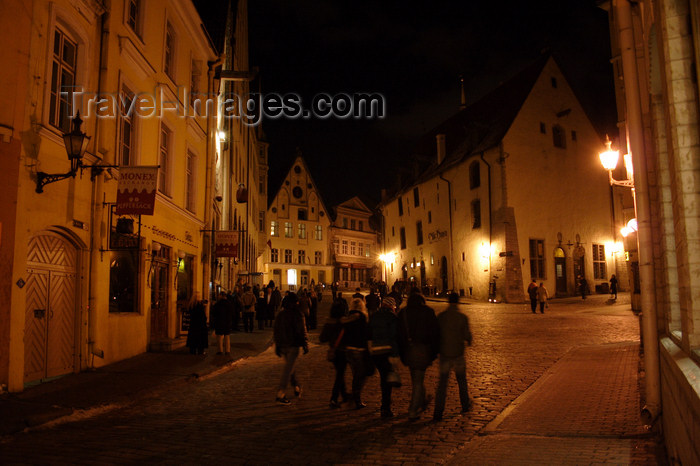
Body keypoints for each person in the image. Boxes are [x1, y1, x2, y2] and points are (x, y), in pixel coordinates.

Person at [398, 293, 439, 420]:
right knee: (417, 381)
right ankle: (413, 410)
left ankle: (422, 401)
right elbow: (435, 333)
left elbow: (399, 335)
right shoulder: (428, 312)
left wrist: (402, 353)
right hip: (422, 349)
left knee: (416, 379)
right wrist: (433, 352)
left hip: (408, 350)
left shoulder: (403, 313)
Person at [433, 293, 472, 421]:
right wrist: (468, 339)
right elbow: (467, 335)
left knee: (442, 384)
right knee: (461, 381)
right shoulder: (462, 317)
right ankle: (465, 405)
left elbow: (436, 334)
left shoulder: (442, 317)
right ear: (458, 302)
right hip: (458, 354)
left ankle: (438, 411)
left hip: (445, 354)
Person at [273, 293, 308, 404]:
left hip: (283, 345)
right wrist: (305, 344)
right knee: (288, 370)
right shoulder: (298, 314)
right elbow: (302, 330)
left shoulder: (280, 315)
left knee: (290, 368)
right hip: (293, 345)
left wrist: (277, 345)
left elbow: (276, 331)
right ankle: (281, 393)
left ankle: (296, 386)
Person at [369, 297, 399, 418]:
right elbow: (394, 337)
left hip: (375, 352)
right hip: (387, 351)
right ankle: (385, 408)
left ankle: (385, 405)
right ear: (392, 306)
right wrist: (395, 354)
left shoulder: (374, 315)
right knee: (387, 381)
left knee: (383, 378)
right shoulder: (392, 317)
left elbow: (368, 333)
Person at [320, 301, 351, 408]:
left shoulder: (330, 322)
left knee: (340, 374)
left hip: (333, 351)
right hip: (343, 351)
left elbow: (322, 338)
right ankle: (333, 398)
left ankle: (345, 395)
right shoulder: (345, 322)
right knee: (340, 375)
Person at [343, 298, 371, 409]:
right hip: (359, 349)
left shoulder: (347, 317)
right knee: (361, 375)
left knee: (356, 374)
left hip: (348, 350)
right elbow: (366, 334)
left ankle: (354, 397)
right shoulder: (363, 317)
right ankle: (356, 399)